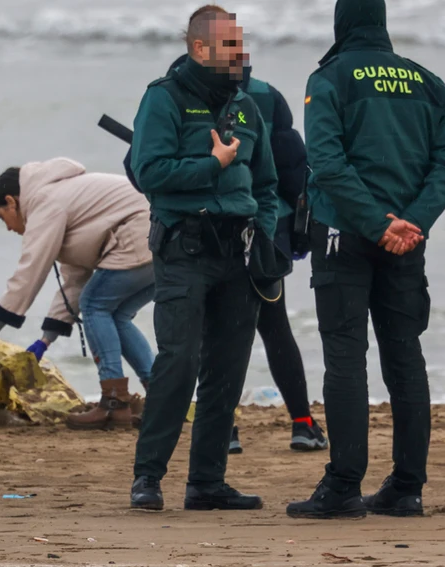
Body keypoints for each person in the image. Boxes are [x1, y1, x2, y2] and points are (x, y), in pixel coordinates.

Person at [286, 0, 445, 519]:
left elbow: (325, 158)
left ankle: (344, 484)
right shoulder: (428, 82)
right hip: (407, 238)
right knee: (405, 355)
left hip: (347, 232)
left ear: (341, 23)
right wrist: (412, 221)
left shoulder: (330, 76)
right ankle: (407, 487)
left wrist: (376, 222)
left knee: (346, 356)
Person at [128, 7, 279, 512]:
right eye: (231, 45)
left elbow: (268, 184)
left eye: (241, 43)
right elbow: (150, 172)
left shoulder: (247, 107)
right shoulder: (163, 99)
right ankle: (147, 477)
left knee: (228, 368)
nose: (242, 53)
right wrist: (212, 164)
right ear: (199, 49)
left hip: (238, 252)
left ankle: (207, 483)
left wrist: (267, 235)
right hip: (183, 248)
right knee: (179, 362)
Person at [160, 33, 327, 455]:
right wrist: (290, 231)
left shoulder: (177, 91)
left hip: (205, 234)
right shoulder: (267, 97)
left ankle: (227, 428)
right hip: (265, 234)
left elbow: (142, 169)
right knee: (274, 327)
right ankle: (302, 424)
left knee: (206, 334)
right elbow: (292, 170)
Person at [0, 158, 155, 431]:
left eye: (2, 217)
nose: (9, 228)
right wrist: (46, 340)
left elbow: (31, 269)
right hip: (160, 239)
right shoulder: (64, 197)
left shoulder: (44, 201)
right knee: (116, 315)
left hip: (138, 234)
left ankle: (113, 404)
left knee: (94, 306)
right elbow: (74, 279)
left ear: (11, 201)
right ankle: (162, 397)